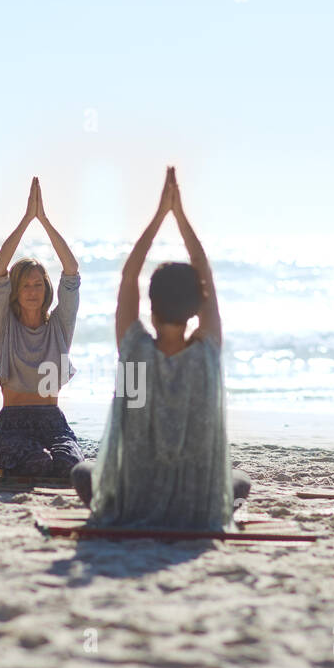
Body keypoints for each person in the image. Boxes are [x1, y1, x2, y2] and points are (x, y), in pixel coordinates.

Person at [71, 167, 250, 530]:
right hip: (196, 507)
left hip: (134, 498)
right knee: (239, 481)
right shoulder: (206, 358)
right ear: (197, 309)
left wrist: (158, 216)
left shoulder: (135, 351)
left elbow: (128, 276)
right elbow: (206, 274)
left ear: (150, 308)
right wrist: (179, 216)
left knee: (83, 473)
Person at [0, 177, 83, 478]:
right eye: (26, 284)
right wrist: (27, 220)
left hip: (53, 421)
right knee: (37, 461)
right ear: (16, 291)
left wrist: (44, 221)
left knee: (68, 464)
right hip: (13, 422)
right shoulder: (5, 329)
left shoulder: (59, 327)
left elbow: (71, 271)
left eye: (38, 284)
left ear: (46, 288)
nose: (32, 290)